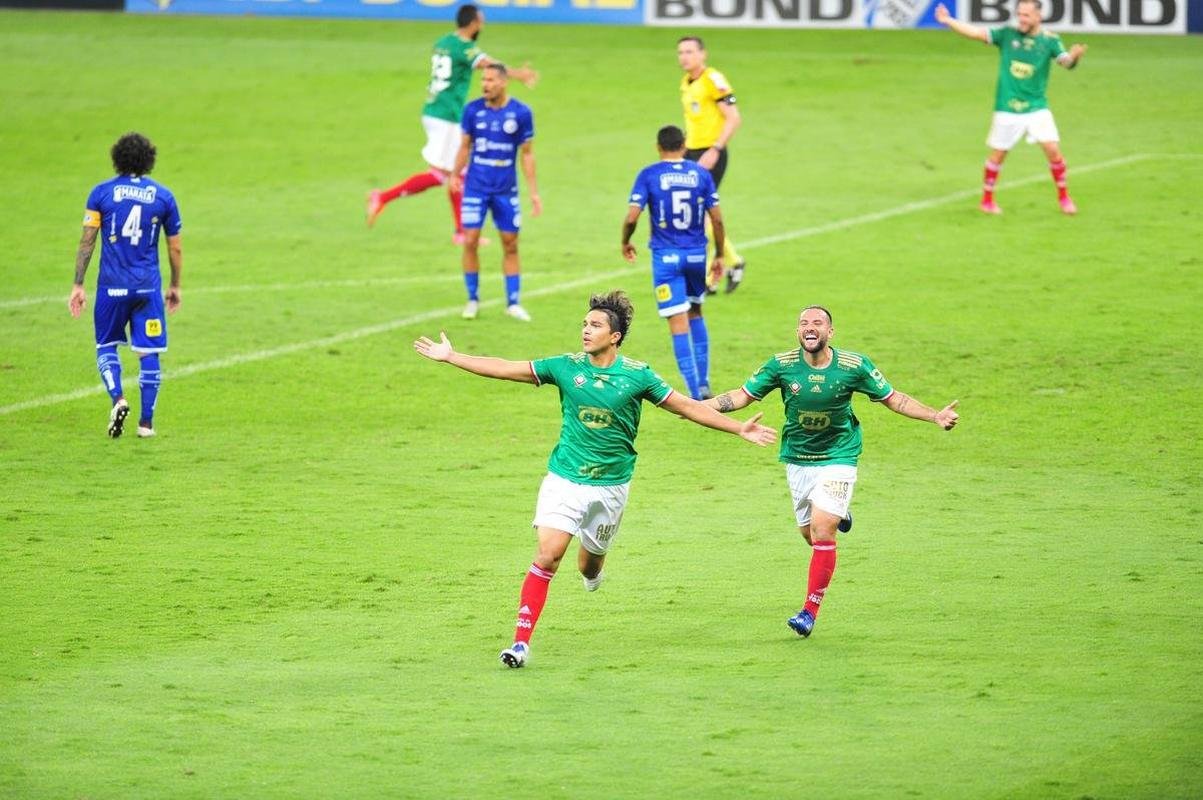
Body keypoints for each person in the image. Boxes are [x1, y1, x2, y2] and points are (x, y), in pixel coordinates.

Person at [413, 290, 776, 668]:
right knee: (548, 555)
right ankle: (520, 643)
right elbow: (507, 367)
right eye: (585, 324)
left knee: (589, 566)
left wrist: (737, 429)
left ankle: (594, 573)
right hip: (565, 479)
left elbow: (685, 407)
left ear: (614, 336)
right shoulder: (565, 367)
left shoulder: (638, 376)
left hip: (611, 487)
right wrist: (452, 356)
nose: (586, 330)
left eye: (595, 325)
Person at [705, 306, 959, 638]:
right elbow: (740, 397)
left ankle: (809, 612)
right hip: (798, 458)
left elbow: (894, 399)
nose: (810, 328)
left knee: (824, 532)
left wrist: (934, 416)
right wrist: (695, 407)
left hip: (840, 455)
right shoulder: (781, 366)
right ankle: (840, 512)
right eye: (803, 323)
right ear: (798, 332)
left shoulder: (854, 366)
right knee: (810, 536)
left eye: (817, 323)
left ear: (830, 332)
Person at [365, 4, 538, 242]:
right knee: (445, 174)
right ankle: (383, 198)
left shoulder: (444, 42)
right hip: (445, 115)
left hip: (435, 110)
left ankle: (460, 230)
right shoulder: (464, 48)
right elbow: (488, 65)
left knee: (457, 171)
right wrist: (519, 74)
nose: (483, 26)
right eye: (481, 22)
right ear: (473, 23)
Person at [69, 132, 183, 439]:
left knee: (106, 345)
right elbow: (175, 248)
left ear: (117, 158)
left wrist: (78, 284)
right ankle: (146, 424)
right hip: (147, 288)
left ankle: (118, 399)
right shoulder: (163, 197)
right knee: (149, 353)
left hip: (111, 288)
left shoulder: (101, 194)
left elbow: (87, 240)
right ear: (149, 160)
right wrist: (175, 285)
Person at [935, 0, 1087, 215]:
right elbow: (976, 33)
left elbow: (1065, 62)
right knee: (998, 154)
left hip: (1036, 106)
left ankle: (1064, 198)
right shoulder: (1007, 35)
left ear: (1037, 17)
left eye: (1026, 15)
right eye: (1019, 14)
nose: (1021, 19)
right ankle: (987, 201)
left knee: (1052, 149)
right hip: (1007, 107)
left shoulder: (1050, 41)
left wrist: (1074, 57)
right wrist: (948, 20)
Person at [622, 124, 725, 401]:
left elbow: (632, 217)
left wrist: (626, 240)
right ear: (684, 146)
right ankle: (704, 384)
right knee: (696, 312)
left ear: (658, 147)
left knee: (677, 322)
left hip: (665, 258)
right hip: (696, 255)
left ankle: (694, 396)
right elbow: (716, 218)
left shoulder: (649, 174)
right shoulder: (701, 173)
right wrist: (719, 255)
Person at [449, 63, 540, 322]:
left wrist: (533, 192)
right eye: (483, 81)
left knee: (510, 245)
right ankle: (472, 299)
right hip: (476, 188)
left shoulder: (521, 113)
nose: (485, 85)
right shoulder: (472, 110)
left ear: (503, 82)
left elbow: (528, 154)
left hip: (505, 191)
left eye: (490, 80)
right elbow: (465, 147)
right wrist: (455, 174)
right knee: (470, 241)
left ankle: (513, 302)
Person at [676, 35, 745, 294]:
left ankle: (708, 276)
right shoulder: (686, 83)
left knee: (701, 213)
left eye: (690, 51)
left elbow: (733, 117)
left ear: (703, 54)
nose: (685, 56)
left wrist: (715, 149)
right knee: (698, 214)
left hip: (711, 154)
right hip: (692, 153)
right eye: (681, 52)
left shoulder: (713, 80)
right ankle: (733, 262)